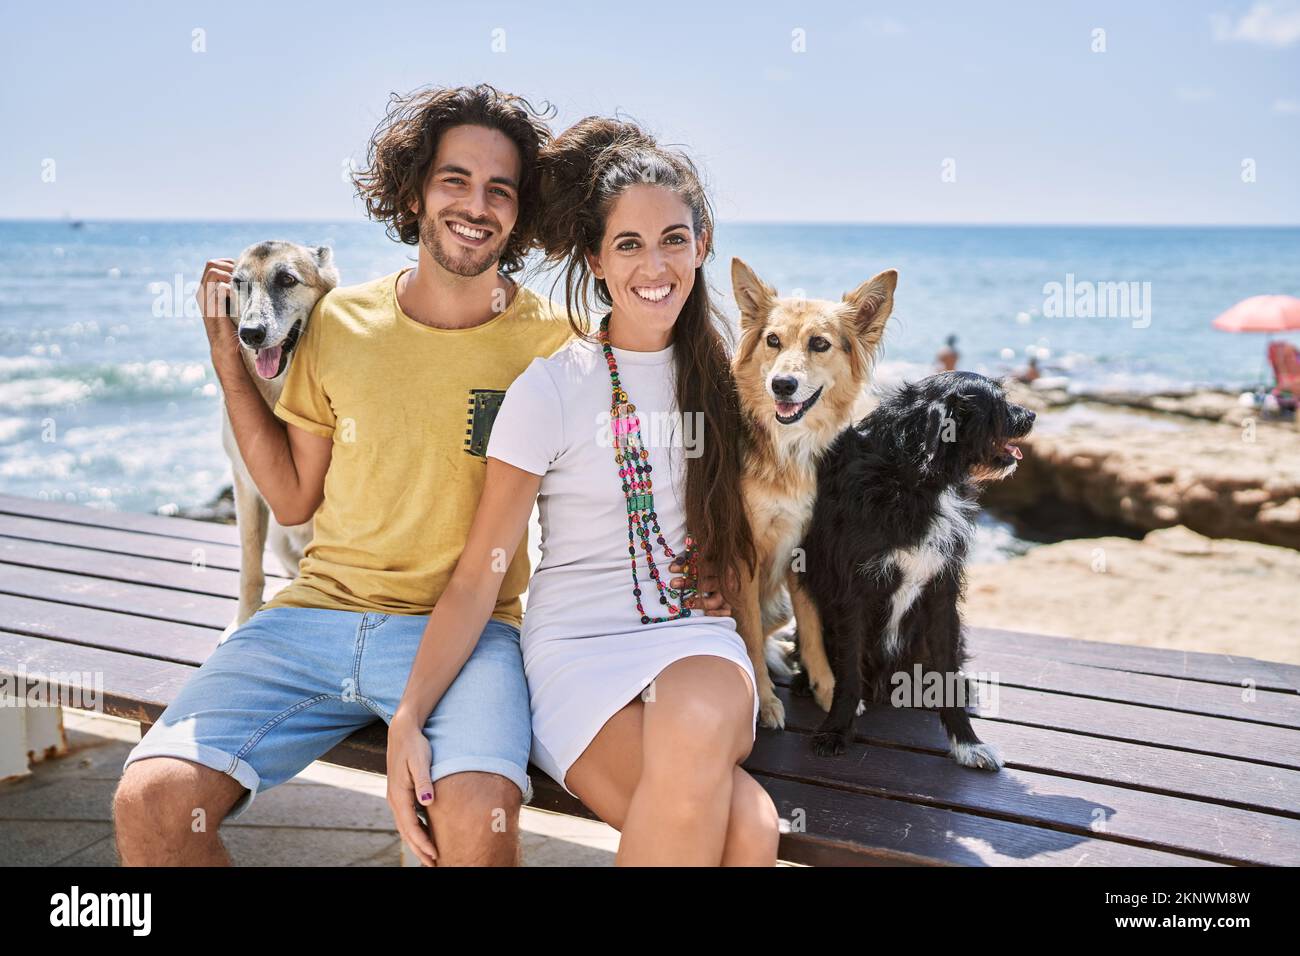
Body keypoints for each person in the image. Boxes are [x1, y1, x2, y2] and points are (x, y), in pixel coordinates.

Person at [112, 84, 576, 866]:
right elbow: (293, 498)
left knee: (475, 818)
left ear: (521, 212)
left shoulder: (555, 343)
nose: (476, 204)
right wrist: (229, 362)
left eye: (501, 189)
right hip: (314, 617)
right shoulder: (339, 321)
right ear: (414, 192)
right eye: (454, 179)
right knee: (150, 803)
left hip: (466, 635)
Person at [386, 117, 780, 866]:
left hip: (690, 637)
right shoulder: (551, 390)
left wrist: (726, 574)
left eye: (672, 238)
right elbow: (481, 572)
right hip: (575, 653)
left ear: (702, 244)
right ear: (596, 260)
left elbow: (779, 496)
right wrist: (411, 714)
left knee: (698, 732)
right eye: (627, 244)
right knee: (748, 833)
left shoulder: (728, 385)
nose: (653, 263)